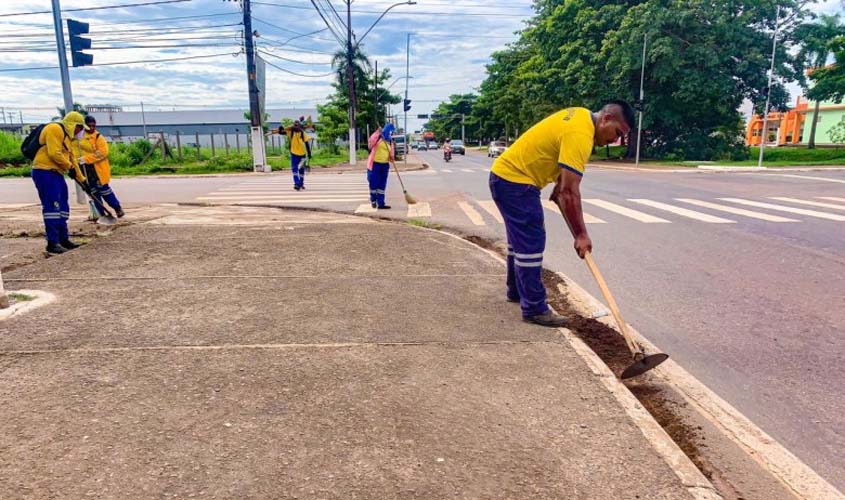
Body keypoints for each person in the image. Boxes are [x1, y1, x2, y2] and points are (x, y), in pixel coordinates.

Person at [489, 100, 635, 327]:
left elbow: (563, 187)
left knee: (519, 242)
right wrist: (581, 235)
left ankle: (517, 291)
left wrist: (560, 190)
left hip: (506, 178)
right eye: (617, 132)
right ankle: (535, 308)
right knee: (531, 244)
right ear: (606, 118)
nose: (615, 140)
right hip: (516, 182)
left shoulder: (580, 118)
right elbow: (569, 192)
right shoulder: (581, 134)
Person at [31, 111, 89, 254]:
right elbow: (54, 153)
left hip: (57, 173)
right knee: (52, 208)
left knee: (63, 207)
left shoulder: (68, 138)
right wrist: (69, 167)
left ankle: (63, 239)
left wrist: (82, 180)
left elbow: (72, 160)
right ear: (74, 125)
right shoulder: (54, 129)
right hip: (44, 172)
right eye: (80, 128)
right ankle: (52, 242)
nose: (81, 132)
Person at [79, 115, 124, 218]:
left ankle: (117, 208)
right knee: (93, 193)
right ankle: (101, 215)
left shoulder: (99, 137)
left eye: (93, 126)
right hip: (85, 170)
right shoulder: (79, 137)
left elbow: (103, 152)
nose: (91, 128)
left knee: (105, 191)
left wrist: (85, 159)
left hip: (98, 170)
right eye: (89, 126)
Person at [366, 124, 395, 209]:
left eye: (391, 132)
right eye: (389, 131)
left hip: (385, 165)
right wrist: (377, 132)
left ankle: (381, 203)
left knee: (382, 185)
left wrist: (391, 157)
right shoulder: (378, 138)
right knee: (374, 183)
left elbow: (391, 152)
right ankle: (373, 200)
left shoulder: (390, 141)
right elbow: (370, 142)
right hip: (375, 164)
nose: (389, 133)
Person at [280, 120, 312, 190]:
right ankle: (297, 184)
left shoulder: (302, 133)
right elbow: (281, 132)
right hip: (294, 153)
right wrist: (281, 128)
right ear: (293, 126)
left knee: (301, 170)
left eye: (298, 125)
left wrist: (309, 153)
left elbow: (306, 143)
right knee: (294, 169)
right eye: (295, 125)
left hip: (302, 154)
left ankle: (301, 183)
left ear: (299, 126)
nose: (296, 127)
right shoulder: (290, 132)